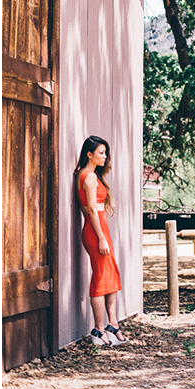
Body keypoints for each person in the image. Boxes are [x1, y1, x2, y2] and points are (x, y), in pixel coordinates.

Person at [75, 135, 127, 346]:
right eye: (101, 153)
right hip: (96, 230)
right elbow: (90, 211)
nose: (105, 157)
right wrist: (101, 238)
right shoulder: (87, 176)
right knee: (100, 277)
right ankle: (98, 329)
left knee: (110, 274)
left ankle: (112, 324)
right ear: (89, 154)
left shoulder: (89, 175)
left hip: (100, 229)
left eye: (105, 152)